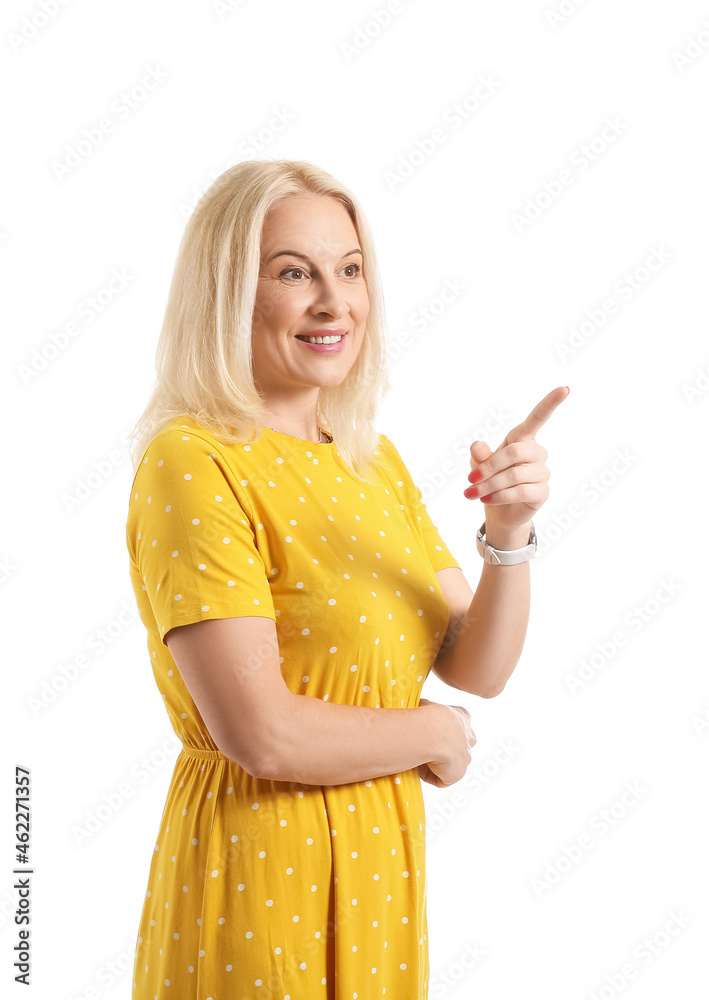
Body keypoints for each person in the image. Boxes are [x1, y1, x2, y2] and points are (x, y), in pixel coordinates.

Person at [124, 158, 568, 998]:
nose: (335, 302)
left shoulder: (372, 460)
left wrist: (507, 535)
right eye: (295, 272)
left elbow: (478, 666)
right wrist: (434, 735)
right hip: (256, 870)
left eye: (350, 269)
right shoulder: (193, 462)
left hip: (377, 868)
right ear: (227, 293)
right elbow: (263, 737)